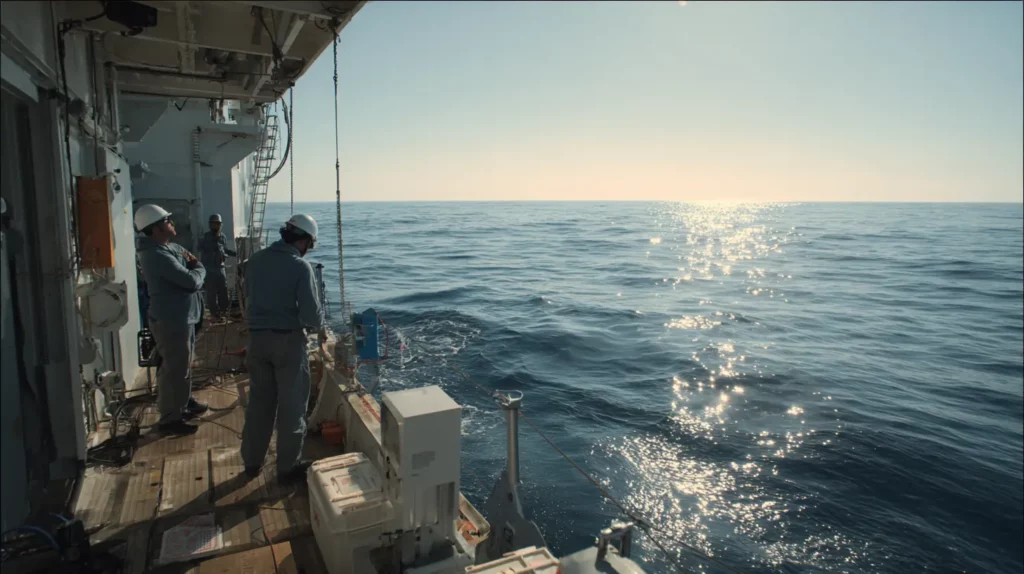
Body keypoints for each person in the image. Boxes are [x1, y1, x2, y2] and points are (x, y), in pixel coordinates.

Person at [240, 214, 326, 483]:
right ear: (303, 241)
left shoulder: (253, 262)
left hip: (256, 341)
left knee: (259, 405)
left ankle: (252, 463)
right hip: (288, 344)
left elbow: (246, 298)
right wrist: (317, 324)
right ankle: (287, 468)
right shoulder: (301, 267)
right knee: (292, 408)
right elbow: (312, 317)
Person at [134, 204, 209, 435]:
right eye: (167, 221)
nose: (172, 223)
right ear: (155, 229)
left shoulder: (170, 248)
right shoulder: (157, 256)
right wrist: (199, 270)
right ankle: (169, 419)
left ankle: (184, 402)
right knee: (173, 369)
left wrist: (195, 266)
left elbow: (190, 259)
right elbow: (192, 280)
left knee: (182, 366)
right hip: (171, 320)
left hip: (183, 318)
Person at [197, 214, 237, 320]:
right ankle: (214, 313)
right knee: (211, 292)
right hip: (209, 268)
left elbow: (225, 250)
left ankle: (224, 311)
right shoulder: (206, 237)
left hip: (220, 268)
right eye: (214, 223)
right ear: (210, 225)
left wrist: (235, 254)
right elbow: (199, 248)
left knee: (223, 290)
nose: (216, 226)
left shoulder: (223, 236)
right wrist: (211, 248)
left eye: (218, 224)